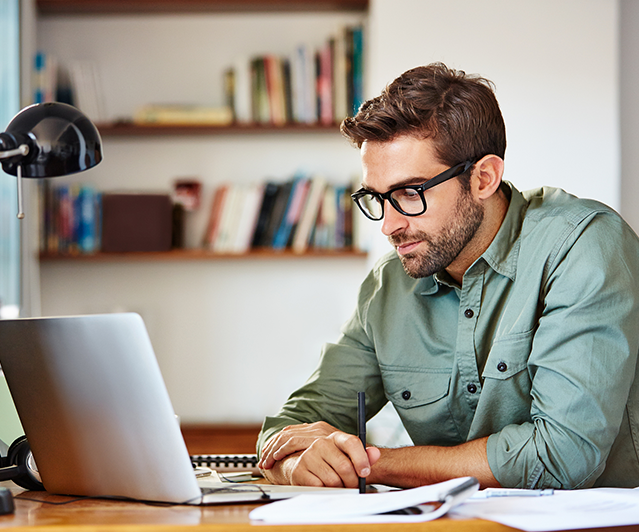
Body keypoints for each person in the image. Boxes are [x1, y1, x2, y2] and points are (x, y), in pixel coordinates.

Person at [256, 63, 639, 490]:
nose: (388, 225)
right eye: (377, 198)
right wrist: (295, 462)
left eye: (409, 193)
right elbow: (294, 426)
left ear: (483, 178)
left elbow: (560, 455)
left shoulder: (582, 246)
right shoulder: (390, 284)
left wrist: (368, 464)